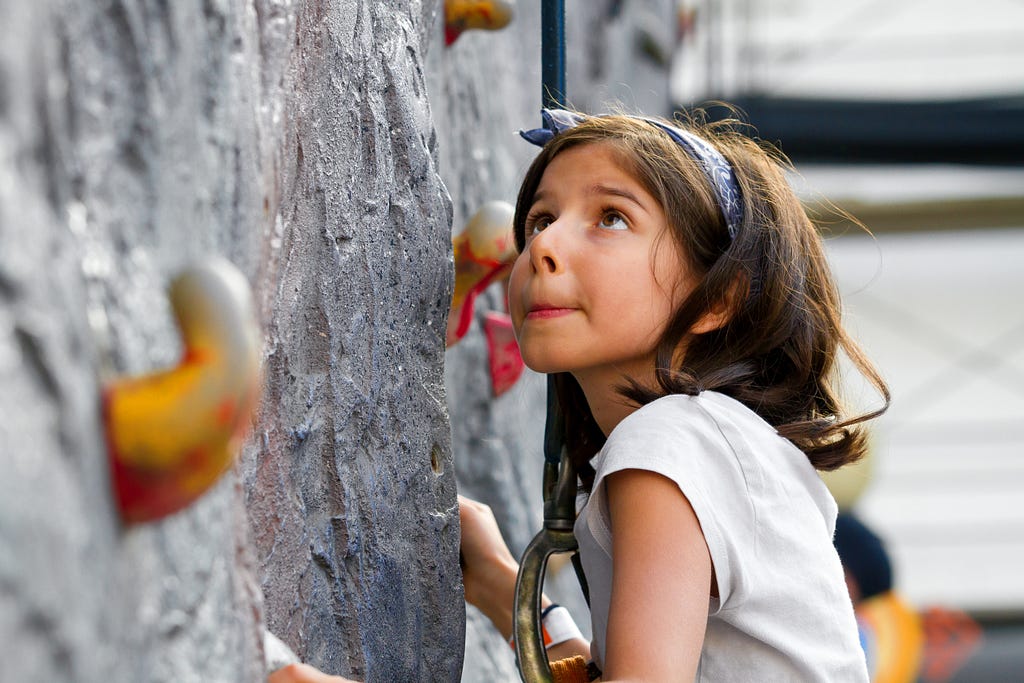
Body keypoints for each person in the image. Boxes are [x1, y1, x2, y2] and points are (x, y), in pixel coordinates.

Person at [459, 108, 890, 681]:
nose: (544, 246)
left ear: (718, 298)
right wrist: (499, 583)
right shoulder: (710, 439)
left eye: (611, 218)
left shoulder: (669, 440)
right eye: (540, 219)